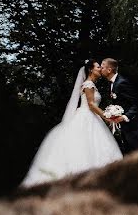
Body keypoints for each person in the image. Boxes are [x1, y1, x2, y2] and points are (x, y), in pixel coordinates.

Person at [20, 59, 123, 187]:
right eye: (97, 67)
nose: (100, 69)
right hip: (86, 117)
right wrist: (107, 116)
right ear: (91, 69)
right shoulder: (88, 84)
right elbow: (91, 104)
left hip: (92, 117)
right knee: (85, 147)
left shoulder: (91, 84)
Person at [99, 58, 138, 153]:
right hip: (126, 127)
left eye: (102, 67)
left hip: (134, 126)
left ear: (109, 70)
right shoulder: (112, 83)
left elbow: (136, 103)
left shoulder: (122, 82)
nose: (100, 69)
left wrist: (124, 117)